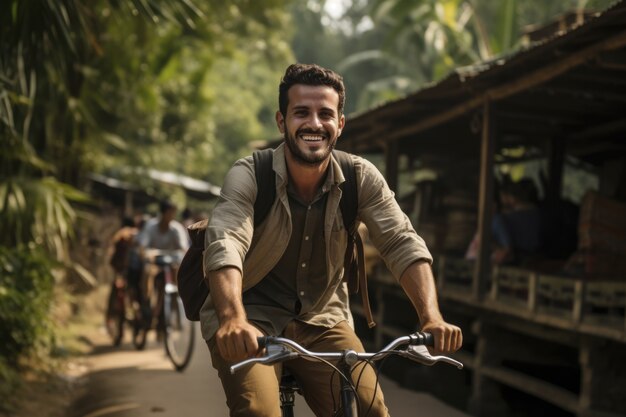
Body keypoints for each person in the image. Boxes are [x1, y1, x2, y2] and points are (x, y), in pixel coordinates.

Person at [201, 63, 462, 416]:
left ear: (340, 124)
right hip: (251, 321)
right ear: (282, 122)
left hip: (324, 320)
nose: (314, 124)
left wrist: (431, 317)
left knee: (370, 410)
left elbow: (401, 241)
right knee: (259, 412)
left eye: (325, 113)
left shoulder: (360, 177)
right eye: (301, 113)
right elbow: (226, 240)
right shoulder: (251, 174)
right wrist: (232, 318)